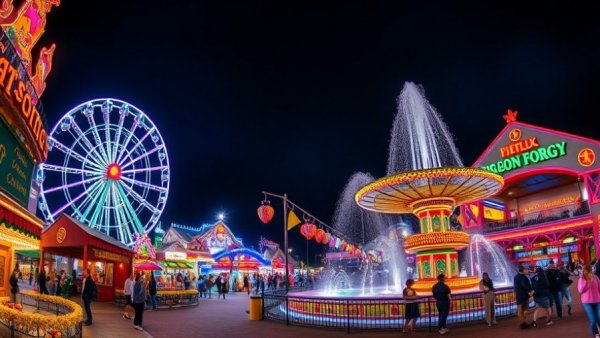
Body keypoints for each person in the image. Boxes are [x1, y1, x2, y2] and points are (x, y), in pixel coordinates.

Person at [578, 264, 600, 338]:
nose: (590, 271)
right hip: (587, 302)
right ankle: (596, 333)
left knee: (599, 318)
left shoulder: (596, 277)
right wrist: (585, 280)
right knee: (593, 320)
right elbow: (580, 290)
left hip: (597, 300)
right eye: (588, 270)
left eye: (591, 270)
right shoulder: (581, 279)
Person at [513, 265, 533, 329]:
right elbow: (526, 286)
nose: (527, 270)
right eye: (526, 269)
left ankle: (522, 323)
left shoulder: (516, 277)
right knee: (525, 310)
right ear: (523, 270)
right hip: (524, 296)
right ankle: (523, 323)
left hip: (518, 296)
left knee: (520, 310)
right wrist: (531, 292)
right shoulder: (523, 277)